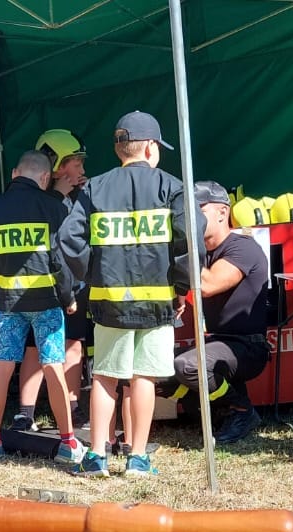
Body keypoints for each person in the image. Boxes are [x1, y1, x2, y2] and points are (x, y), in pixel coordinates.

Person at [62, 111, 199, 478]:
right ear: (152, 147)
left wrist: (91, 276)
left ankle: (96, 457)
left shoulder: (94, 188)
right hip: (158, 303)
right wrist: (182, 288)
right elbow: (191, 240)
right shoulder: (172, 187)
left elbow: (68, 240)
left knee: (105, 375)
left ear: (119, 149)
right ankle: (138, 458)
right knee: (144, 378)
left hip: (108, 303)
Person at [0, 150, 82, 466]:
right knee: (53, 368)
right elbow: (60, 261)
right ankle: (68, 443)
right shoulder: (53, 207)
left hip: (6, 304)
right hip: (47, 303)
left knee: (2, 368)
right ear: (46, 178)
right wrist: (68, 296)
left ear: (14, 173)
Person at [166, 180, 269, 445]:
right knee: (157, 367)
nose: (190, 218)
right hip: (217, 342)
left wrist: (181, 254)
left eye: (199, 209)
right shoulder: (204, 252)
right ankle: (215, 410)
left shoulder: (242, 247)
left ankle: (242, 410)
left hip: (246, 346)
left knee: (187, 366)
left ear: (223, 212)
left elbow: (208, 285)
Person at [11, 129, 90, 430]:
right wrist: (59, 193)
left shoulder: (85, 194)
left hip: (74, 283)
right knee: (34, 346)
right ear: (55, 164)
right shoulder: (36, 194)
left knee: (73, 343)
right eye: (75, 163)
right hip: (41, 283)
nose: (81, 170)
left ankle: (72, 406)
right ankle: (25, 412)